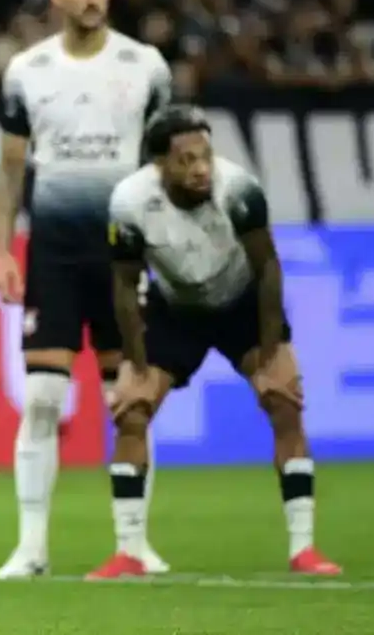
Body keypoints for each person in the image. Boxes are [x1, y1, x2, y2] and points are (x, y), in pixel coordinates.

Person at [89, 104, 342, 579]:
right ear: (159, 163)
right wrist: (136, 358)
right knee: (131, 409)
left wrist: (269, 347)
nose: (201, 168)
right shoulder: (128, 202)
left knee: (284, 400)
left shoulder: (239, 189)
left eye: (205, 155)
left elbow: (268, 266)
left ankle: (304, 549)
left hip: (240, 302)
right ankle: (128, 552)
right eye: (186, 159)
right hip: (175, 308)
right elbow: (124, 283)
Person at [0, 0, 172, 578]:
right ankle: (32, 546)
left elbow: (165, 165)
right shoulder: (27, 70)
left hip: (124, 255)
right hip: (56, 254)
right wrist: (1, 250)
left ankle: (134, 541)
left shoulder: (145, 66)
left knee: (130, 400)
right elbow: (11, 168)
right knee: (42, 397)